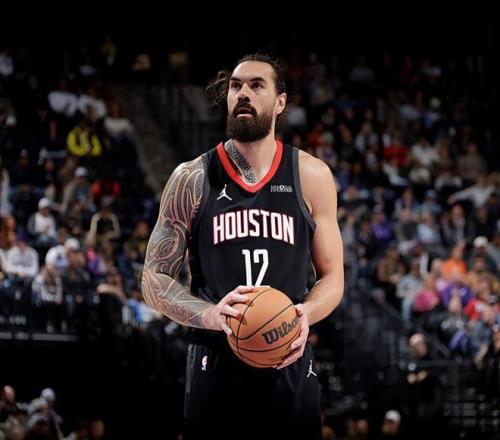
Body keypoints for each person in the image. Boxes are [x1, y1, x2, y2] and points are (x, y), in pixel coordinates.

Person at [142, 53, 344, 439]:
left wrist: (305, 313)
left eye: (256, 85)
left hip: (287, 356)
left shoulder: (312, 175)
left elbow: (333, 277)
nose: (243, 94)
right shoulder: (192, 178)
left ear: (280, 102)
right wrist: (209, 315)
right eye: (236, 86)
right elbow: (154, 277)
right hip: (215, 360)